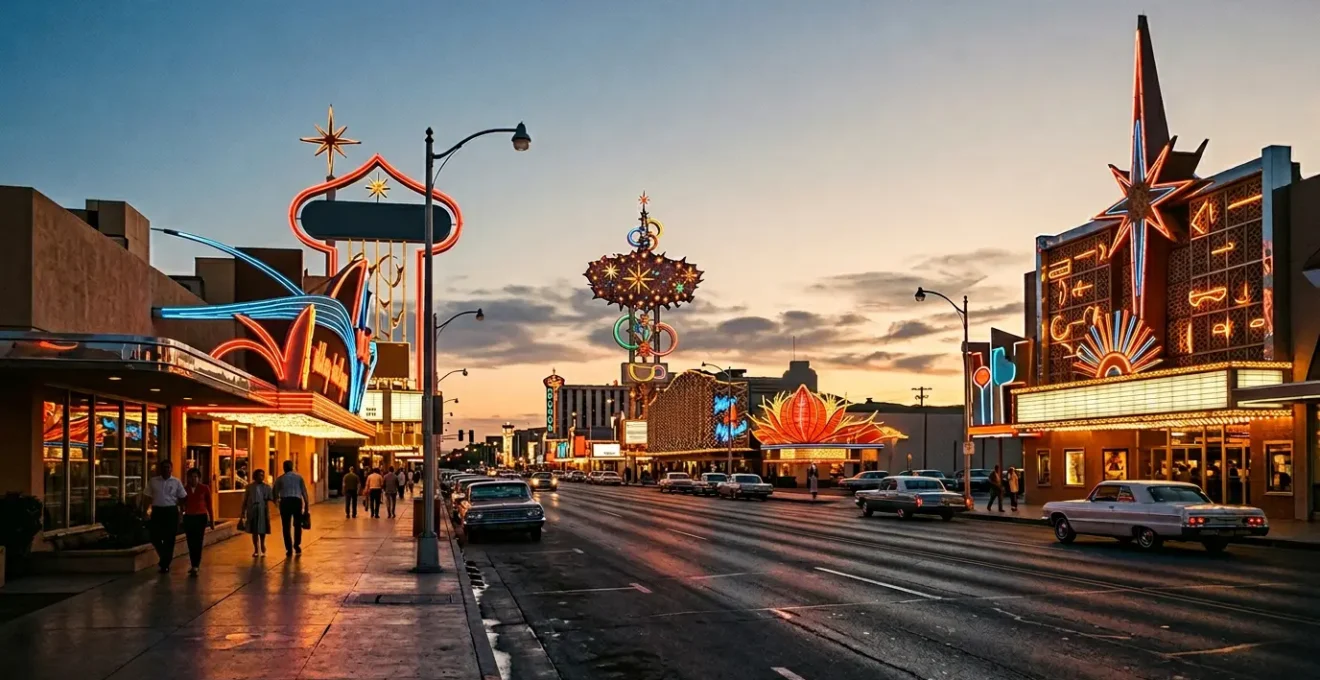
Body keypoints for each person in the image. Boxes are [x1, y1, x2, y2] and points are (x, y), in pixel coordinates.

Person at [144, 459, 187, 573]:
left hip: (171, 511)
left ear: (171, 469)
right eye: (164, 467)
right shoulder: (153, 481)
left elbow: (183, 497)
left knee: (169, 539)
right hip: (157, 511)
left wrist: (182, 511)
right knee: (155, 536)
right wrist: (145, 512)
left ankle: (165, 564)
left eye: (168, 467)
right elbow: (147, 497)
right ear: (160, 469)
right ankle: (164, 557)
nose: (166, 469)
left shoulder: (176, 482)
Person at [273, 460, 310, 556]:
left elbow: (275, 493)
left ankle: (289, 548)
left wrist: (277, 503)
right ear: (292, 467)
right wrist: (306, 507)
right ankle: (297, 545)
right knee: (297, 525)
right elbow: (304, 493)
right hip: (297, 501)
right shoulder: (299, 478)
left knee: (286, 526)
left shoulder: (280, 479)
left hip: (285, 502)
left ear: (284, 467)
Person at [181, 468, 214, 575]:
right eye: (191, 477)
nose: (193, 479)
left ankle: (196, 565)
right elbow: (181, 504)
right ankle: (192, 564)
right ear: (188, 478)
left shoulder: (204, 488)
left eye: (195, 477)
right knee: (190, 542)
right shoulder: (184, 489)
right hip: (189, 517)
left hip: (201, 517)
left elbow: (209, 505)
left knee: (198, 541)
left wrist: (212, 520)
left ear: (199, 478)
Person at [242, 469, 274, 556]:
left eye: (263, 475)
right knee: (254, 530)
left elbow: (271, 497)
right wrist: (243, 512)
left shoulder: (266, 487)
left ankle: (262, 544)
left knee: (262, 529)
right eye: (260, 475)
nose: (261, 477)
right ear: (255, 476)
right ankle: (256, 549)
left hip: (262, 509)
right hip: (253, 509)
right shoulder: (249, 487)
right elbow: (245, 500)